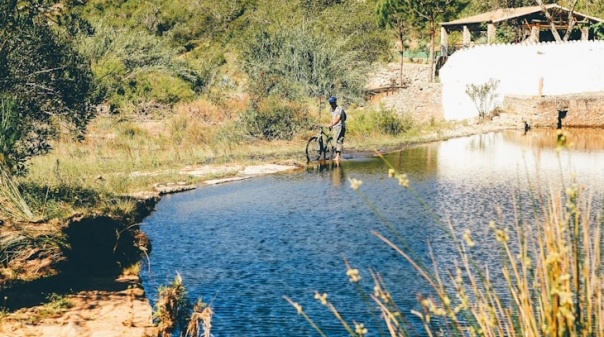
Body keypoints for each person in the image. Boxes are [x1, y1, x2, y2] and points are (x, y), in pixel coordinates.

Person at [326, 96, 345, 163]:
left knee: (339, 140)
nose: (331, 104)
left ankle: (337, 156)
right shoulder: (331, 109)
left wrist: (332, 124)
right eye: (330, 103)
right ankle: (338, 155)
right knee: (335, 140)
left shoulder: (339, 109)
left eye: (332, 103)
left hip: (340, 126)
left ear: (335, 102)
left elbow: (338, 118)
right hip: (335, 127)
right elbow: (333, 118)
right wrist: (331, 124)